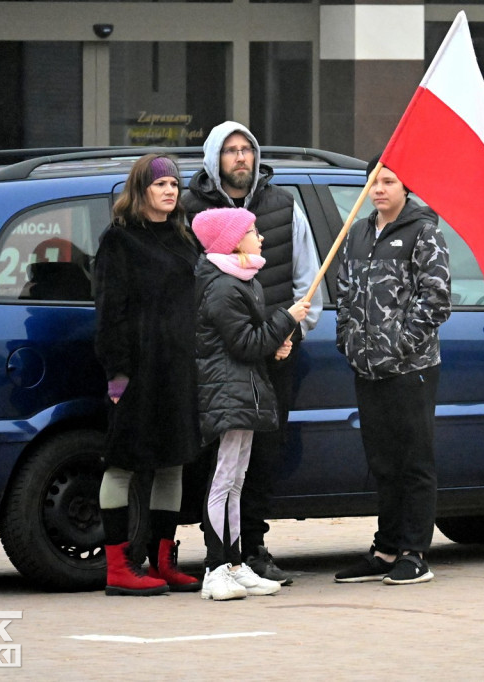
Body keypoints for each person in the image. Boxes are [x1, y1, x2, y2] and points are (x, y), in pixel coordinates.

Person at [183, 121, 323, 585]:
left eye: (247, 150)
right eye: (230, 151)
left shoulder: (283, 206)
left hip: (276, 353)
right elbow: (189, 290)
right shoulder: (191, 209)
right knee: (219, 461)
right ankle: (218, 557)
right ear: (213, 159)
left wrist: (290, 335)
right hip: (222, 358)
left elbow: (307, 280)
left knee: (261, 456)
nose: (241, 158)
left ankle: (250, 549)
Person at [333, 157, 451, 585]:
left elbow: (436, 301)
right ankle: (385, 549)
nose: (378, 189)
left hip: (410, 369)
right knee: (381, 460)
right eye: (373, 182)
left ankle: (414, 552)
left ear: (406, 187)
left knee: (413, 460)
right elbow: (345, 293)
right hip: (366, 369)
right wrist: (348, 339)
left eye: (387, 181)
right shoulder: (360, 233)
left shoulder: (424, 232)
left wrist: (397, 347)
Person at [92, 154, 203, 596]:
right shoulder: (118, 241)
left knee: (172, 464)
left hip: (177, 371)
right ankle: (118, 566)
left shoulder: (182, 237)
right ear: (141, 190)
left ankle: (162, 562)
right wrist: (117, 375)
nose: (170, 190)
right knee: (122, 464)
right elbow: (109, 314)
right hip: (136, 373)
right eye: (160, 184)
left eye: (175, 183)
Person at [191, 207, 311, 601]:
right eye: (253, 231)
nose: (260, 237)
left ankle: (236, 564)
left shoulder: (244, 281)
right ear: (232, 240)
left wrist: (278, 342)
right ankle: (214, 568)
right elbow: (244, 343)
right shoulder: (224, 287)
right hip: (227, 393)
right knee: (223, 479)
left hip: (243, 390)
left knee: (237, 480)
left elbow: (251, 340)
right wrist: (285, 320)